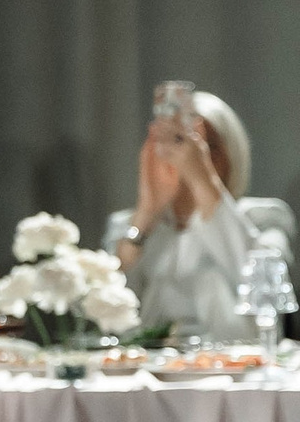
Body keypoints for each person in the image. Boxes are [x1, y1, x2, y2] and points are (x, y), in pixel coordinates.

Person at [106, 89, 294, 343]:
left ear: (231, 153)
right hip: (150, 362)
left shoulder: (265, 217)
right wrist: (147, 213)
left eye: (206, 146)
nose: (190, 156)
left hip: (237, 361)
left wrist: (204, 182)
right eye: (179, 142)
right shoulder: (126, 225)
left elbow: (264, 289)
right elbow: (108, 310)